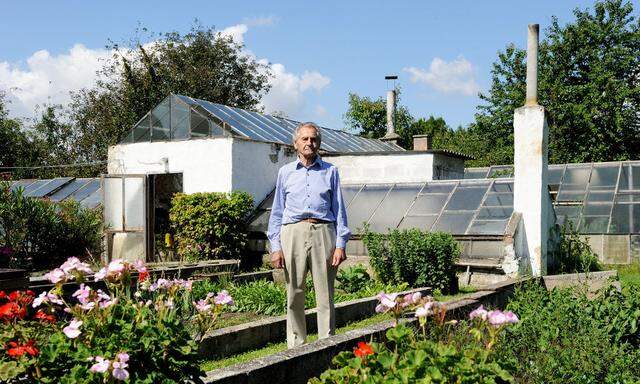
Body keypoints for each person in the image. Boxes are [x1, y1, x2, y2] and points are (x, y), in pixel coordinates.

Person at [267, 122, 351, 348]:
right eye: (304, 139)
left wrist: (341, 244)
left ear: (319, 144)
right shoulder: (285, 173)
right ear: (295, 144)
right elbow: (277, 212)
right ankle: (296, 344)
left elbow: (339, 209)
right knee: (294, 291)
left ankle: (327, 342)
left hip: (324, 232)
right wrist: (275, 247)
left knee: (325, 292)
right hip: (292, 232)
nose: (309, 143)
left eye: (313, 139)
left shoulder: (330, 171)